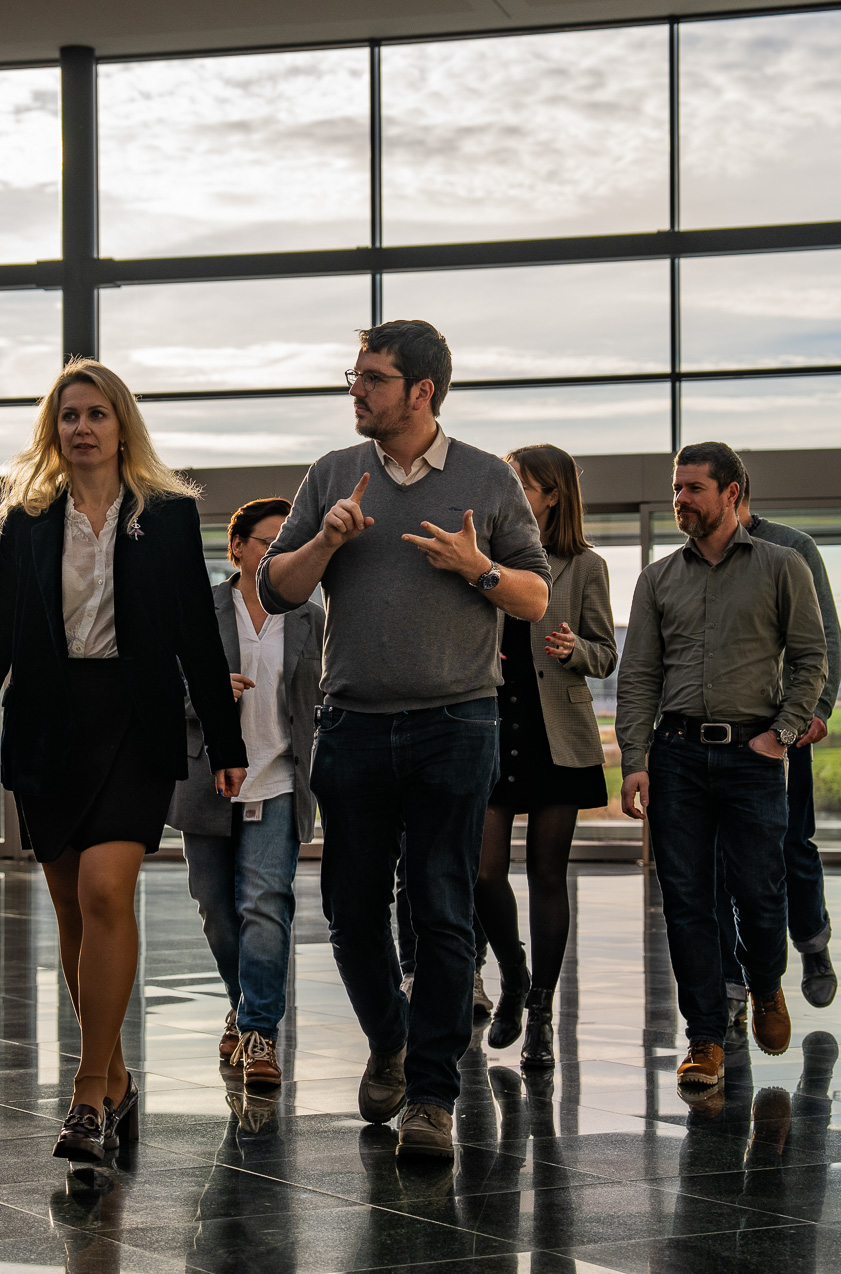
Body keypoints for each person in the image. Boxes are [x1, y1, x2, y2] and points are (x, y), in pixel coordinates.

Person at [0, 358, 248, 1164]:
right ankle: (116, 1075)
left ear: (121, 426)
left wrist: (226, 742)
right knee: (74, 911)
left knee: (108, 890)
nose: (82, 428)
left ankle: (84, 1093)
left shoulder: (169, 517)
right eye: (68, 416)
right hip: (48, 727)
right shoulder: (30, 522)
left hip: (135, 723)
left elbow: (196, 640)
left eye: (96, 414)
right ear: (55, 430)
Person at [257, 319, 549, 1159]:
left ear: (422, 391)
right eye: (353, 376)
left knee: (442, 905)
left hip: (457, 724)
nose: (357, 390)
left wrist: (478, 570)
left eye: (373, 378)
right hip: (351, 723)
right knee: (350, 910)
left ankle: (430, 1097)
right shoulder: (330, 475)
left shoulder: (489, 481)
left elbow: (532, 597)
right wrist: (326, 539)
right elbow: (276, 592)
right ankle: (388, 1040)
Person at [617, 441, 826, 1089]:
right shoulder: (657, 578)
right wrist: (635, 759)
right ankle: (705, 1036)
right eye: (676, 488)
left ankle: (765, 986)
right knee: (685, 901)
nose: (680, 499)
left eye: (693, 489)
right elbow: (640, 675)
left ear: (731, 493)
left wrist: (783, 734)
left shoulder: (782, 567)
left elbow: (811, 659)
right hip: (677, 755)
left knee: (759, 891)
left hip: (751, 755)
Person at [168, 497, 325, 1090]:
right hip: (209, 779)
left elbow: (322, 698)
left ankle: (259, 1030)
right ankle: (242, 1002)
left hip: (280, 776)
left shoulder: (309, 616)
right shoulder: (197, 609)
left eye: (290, 546)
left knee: (266, 903)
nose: (279, 555)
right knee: (216, 911)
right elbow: (160, 688)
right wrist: (205, 696)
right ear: (237, 547)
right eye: (269, 544)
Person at [480, 444, 617, 1068]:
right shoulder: (486, 559)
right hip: (488, 727)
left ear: (553, 495)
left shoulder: (584, 565)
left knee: (546, 876)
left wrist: (573, 651)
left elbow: (605, 653)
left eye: (525, 485)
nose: (513, 492)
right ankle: (512, 972)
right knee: (482, 873)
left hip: (555, 733)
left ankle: (539, 1010)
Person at [715, 476, 841, 1022]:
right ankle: (731, 988)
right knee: (722, 862)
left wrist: (813, 713)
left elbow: (825, 640)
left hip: (782, 730)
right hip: (717, 740)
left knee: (792, 843)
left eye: (696, 490)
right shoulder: (695, 559)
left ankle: (813, 945)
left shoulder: (793, 549)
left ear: (734, 492)